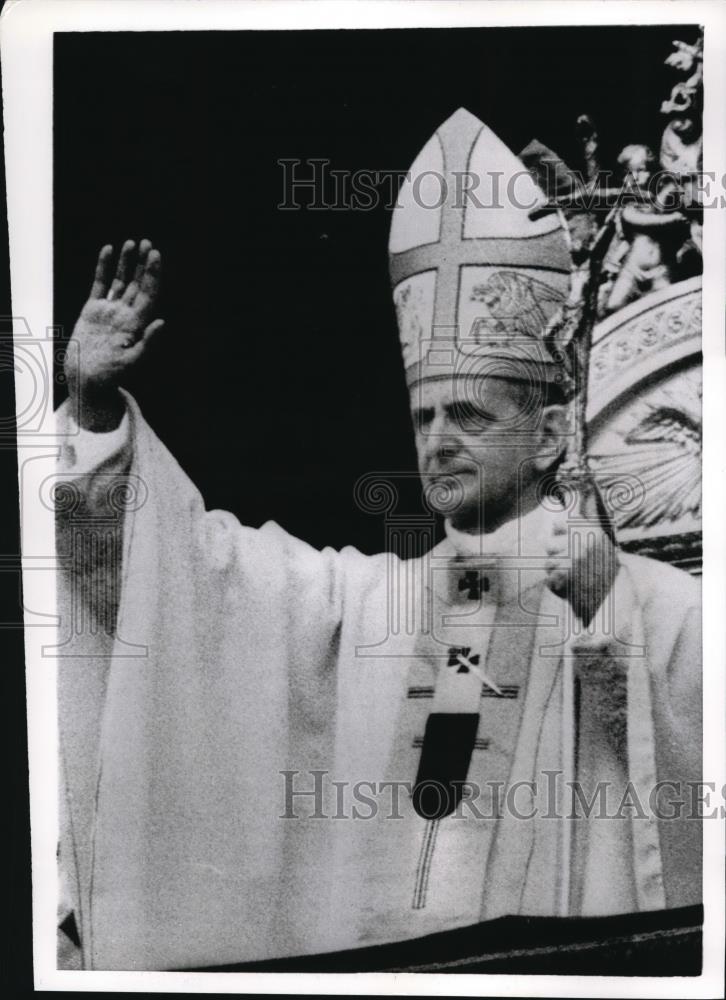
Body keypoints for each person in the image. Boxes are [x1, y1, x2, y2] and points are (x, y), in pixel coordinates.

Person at [56, 109, 701, 971]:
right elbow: (178, 583)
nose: (436, 441)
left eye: (468, 414)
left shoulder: (666, 609)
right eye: (424, 414)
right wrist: (97, 418)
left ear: (549, 435)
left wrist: (604, 617)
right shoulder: (360, 608)